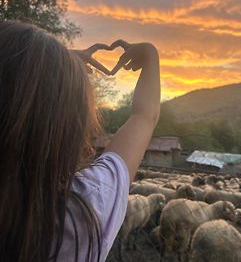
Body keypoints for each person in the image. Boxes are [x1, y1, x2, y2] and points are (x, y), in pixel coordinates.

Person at [0, 21, 160, 262]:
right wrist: (150, 57)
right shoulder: (84, 209)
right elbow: (145, 117)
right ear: (70, 127)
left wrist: (48, 63)